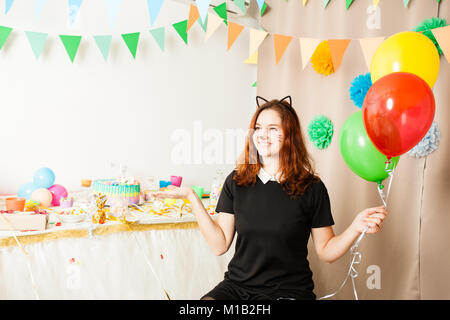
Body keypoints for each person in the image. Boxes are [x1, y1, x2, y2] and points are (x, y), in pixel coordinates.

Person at [150, 96, 388, 300]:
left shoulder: (312, 188)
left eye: (273, 129)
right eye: (259, 128)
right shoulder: (237, 181)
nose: (263, 135)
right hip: (237, 288)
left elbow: (325, 251)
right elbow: (219, 244)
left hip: (288, 291)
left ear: (289, 136)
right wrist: (192, 197)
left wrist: (356, 226)